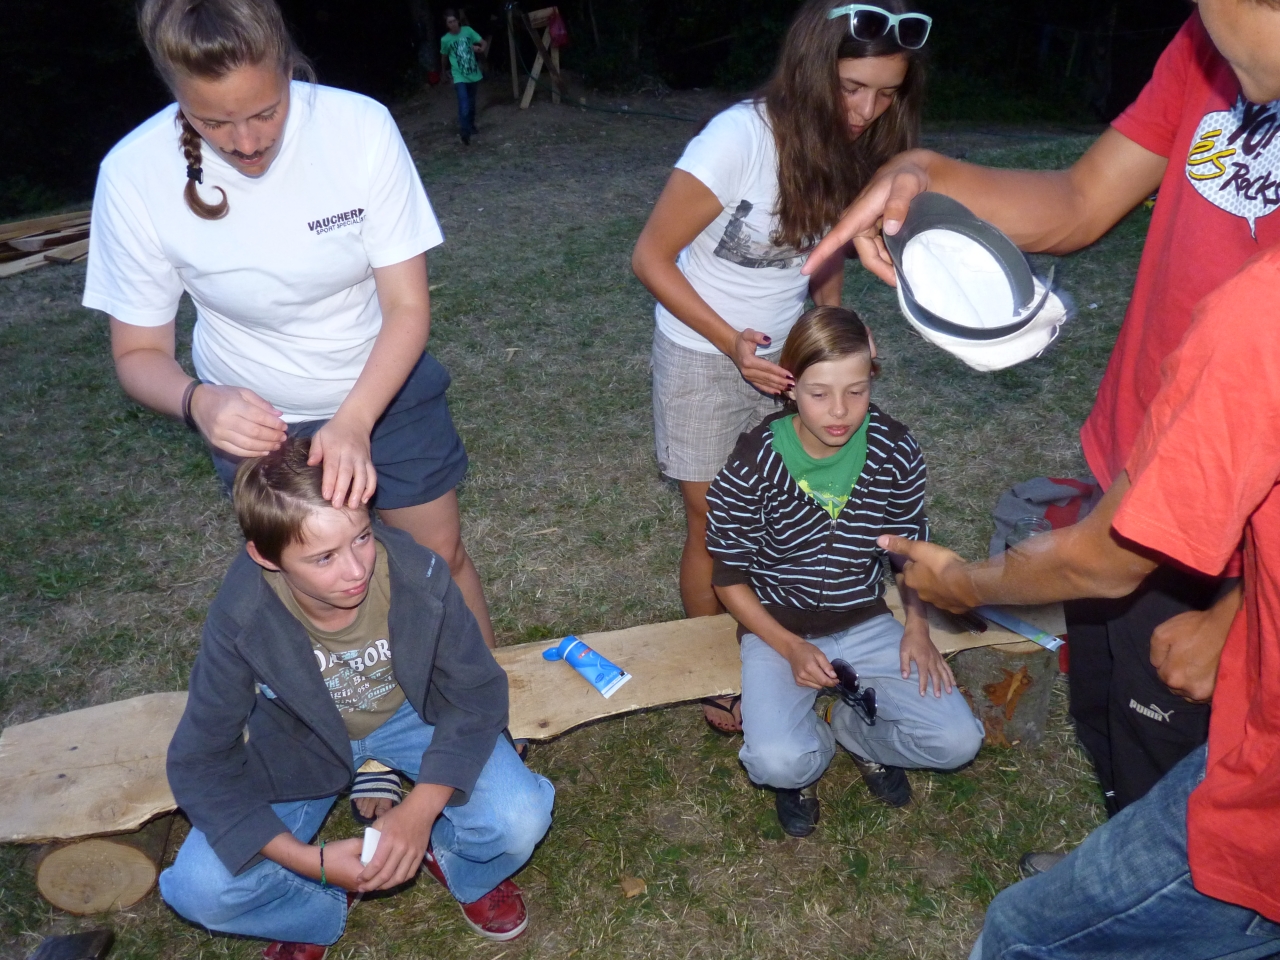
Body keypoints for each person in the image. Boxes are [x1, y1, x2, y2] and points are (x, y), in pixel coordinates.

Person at [803, 0, 1280, 832]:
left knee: (1178, 757)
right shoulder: (1206, 47)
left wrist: (1239, 617)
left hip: (1238, 526)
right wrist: (924, 173)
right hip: (1134, 445)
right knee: (1109, 700)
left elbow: (1101, 563)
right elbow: (1080, 198)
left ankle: (1141, 882)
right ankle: (1117, 843)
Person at [880, 244, 1280, 960]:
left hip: (1261, 815)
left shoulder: (1263, 313)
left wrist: (961, 583)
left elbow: (1105, 557)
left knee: (1020, 937)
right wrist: (1235, 612)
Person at [632, 0, 930, 734]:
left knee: (779, 512)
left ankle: (773, 638)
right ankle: (714, 669)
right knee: (711, 520)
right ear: (810, 69)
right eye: (851, 88)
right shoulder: (738, 138)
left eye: (885, 94)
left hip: (789, 356)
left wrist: (836, 325)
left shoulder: (859, 145)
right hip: (701, 351)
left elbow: (827, 251)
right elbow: (650, 257)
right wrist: (732, 342)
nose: (866, 111)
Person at [159, 438, 555, 957]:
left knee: (519, 818)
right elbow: (200, 761)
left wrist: (419, 812)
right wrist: (311, 863)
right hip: (300, 739)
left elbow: (476, 692)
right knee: (201, 890)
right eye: (323, 557)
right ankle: (315, 909)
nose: (355, 570)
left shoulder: (415, 574)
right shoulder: (242, 618)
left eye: (362, 537)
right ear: (265, 556)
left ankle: (457, 863)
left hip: (412, 713)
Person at [705, 306, 983, 836]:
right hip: (776, 627)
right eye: (819, 393)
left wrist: (917, 626)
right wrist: (790, 647)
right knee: (776, 762)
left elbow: (907, 549)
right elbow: (728, 579)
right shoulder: (754, 461)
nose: (840, 411)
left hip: (863, 617)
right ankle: (807, 761)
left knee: (956, 741)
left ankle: (855, 730)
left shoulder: (894, 448)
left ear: (872, 378)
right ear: (789, 387)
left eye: (856, 391)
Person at [441, 8, 487, 146]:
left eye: (454, 21)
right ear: (447, 24)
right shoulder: (445, 39)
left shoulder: (467, 31)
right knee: (464, 103)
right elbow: (444, 56)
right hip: (458, 75)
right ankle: (465, 132)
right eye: (450, 22)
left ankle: (471, 125)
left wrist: (481, 48)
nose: (453, 24)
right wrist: (443, 71)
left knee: (471, 103)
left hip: (472, 72)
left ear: (458, 21)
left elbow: (483, 42)